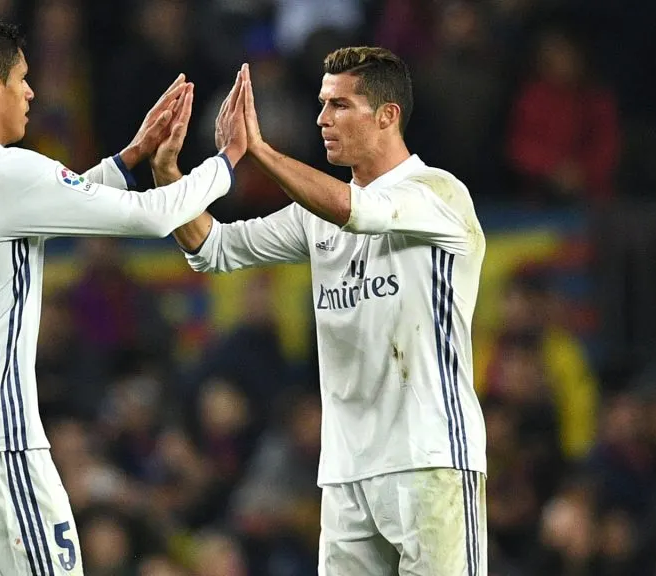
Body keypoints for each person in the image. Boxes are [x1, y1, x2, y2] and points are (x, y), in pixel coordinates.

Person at [0, 15, 248, 575]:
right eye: (21, 78)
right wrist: (225, 162)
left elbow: (50, 202)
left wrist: (130, 159)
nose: (31, 91)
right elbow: (152, 218)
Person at [154, 50, 487, 574]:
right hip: (346, 467)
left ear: (387, 115)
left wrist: (259, 152)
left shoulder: (437, 193)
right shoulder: (316, 216)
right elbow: (212, 248)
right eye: (321, 104)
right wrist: (167, 171)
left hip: (429, 457)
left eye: (340, 105)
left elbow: (357, 212)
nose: (322, 119)